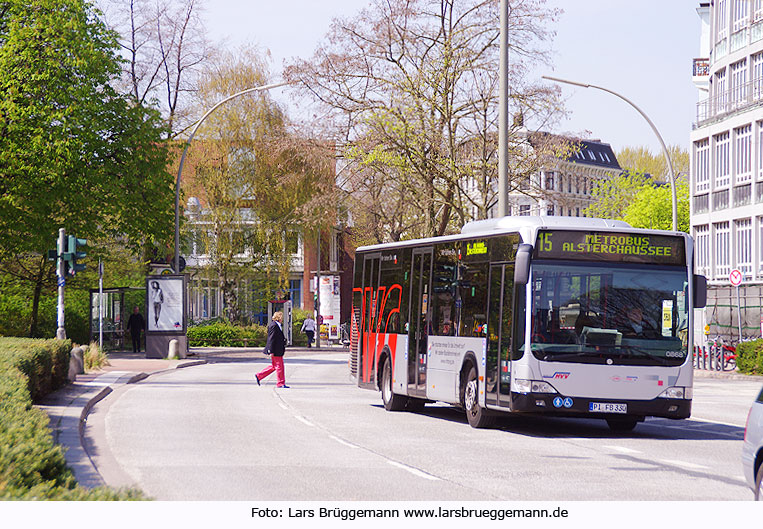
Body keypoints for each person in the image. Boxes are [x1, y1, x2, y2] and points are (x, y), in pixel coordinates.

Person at [255, 311, 288, 388]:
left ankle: (259, 376)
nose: (282, 319)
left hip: (277, 350)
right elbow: (271, 339)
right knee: (280, 366)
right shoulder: (274, 325)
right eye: (281, 317)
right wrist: (271, 351)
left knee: (274, 366)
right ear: (279, 317)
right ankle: (280, 383)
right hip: (276, 350)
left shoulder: (277, 325)